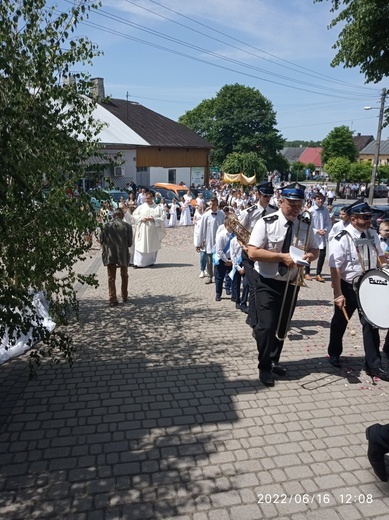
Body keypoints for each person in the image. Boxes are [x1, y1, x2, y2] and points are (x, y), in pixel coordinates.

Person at [247, 183, 319, 387]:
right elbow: (252, 252)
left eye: (299, 204)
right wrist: (281, 257)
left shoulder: (304, 224)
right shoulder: (266, 222)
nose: (296, 209)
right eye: (291, 204)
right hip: (267, 282)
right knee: (266, 326)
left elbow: (316, 249)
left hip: (291, 282)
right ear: (281, 202)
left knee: (282, 326)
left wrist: (309, 256)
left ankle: (273, 360)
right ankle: (263, 366)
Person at [327, 200, 389, 381]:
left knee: (371, 325)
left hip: (369, 286)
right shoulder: (342, 237)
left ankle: (373, 365)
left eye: (370, 217)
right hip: (348, 286)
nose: (369, 220)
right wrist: (337, 294)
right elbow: (335, 268)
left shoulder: (372, 234)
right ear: (353, 219)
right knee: (339, 322)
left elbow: (380, 257)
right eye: (365, 217)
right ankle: (334, 353)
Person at [239, 181, 276, 329]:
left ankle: (262, 316)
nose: (268, 198)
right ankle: (254, 320)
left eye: (270, 196)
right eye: (265, 195)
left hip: (266, 254)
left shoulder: (275, 211)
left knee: (264, 286)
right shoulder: (249, 212)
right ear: (258, 195)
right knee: (254, 286)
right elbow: (239, 234)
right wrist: (245, 247)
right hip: (249, 254)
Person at [100, 208, 133, 307]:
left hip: (110, 254)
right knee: (124, 275)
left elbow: (101, 240)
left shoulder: (105, 226)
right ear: (122, 216)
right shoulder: (127, 226)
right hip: (122, 254)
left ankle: (112, 298)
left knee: (111, 277)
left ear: (113, 216)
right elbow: (130, 243)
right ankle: (124, 295)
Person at [195, 197, 225, 284]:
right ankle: (209, 276)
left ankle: (218, 276)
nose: (211, 206)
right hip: (209, 241)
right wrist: (199, 243)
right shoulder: (205, 216)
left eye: (213, 204)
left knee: (219, 260)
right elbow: (201, 230)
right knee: (209, 260)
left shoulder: (221, 214)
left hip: (219, 241)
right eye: (210, 204)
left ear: (217, 205)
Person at [132, 191, 166, 268]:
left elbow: (163, 217)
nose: (146, 200)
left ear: (152, 198)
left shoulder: (157, 208)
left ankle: (151, 262)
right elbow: (134, 215)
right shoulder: (141, 207)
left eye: (148, 198)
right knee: (140, 245)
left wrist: (154, 219)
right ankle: (138, 263)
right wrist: (141, 218)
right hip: (142, 230)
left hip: (153, 231)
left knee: (152, 245)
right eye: (145, 198)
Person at [304, 193, 332, 282]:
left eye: (322, 199)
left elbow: (328, 222)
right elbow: (307, 225)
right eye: (318, 199)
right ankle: (307, 272)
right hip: (313, 235)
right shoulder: (311, 211)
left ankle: (318, 273)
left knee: (322, 255)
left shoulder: (325, 210)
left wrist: (325, 230)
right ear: (314, 200)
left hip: (322, 235)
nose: (320, 201)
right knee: (309, 253)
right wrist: (316, 231)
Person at [214, 216, 234, 301]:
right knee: (219, 277)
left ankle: (230, 291)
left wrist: (232, 260)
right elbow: (219, 250)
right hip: (222, 259)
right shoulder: (221, 235)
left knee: (232, 277)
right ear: (227, 224)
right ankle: (218, 293)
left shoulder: (235, 235)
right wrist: (226, 260)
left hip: (232, 259)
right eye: (233, 224)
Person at [230, 234, 249, 312]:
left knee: (246, 284)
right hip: (237, 264)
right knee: (236, 284)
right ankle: (237, 300)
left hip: (245, 265)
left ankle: (243, 303)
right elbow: (232, 255)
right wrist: (238, 268)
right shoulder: (233, 241)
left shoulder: (247, 240)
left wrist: (244, 268)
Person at [193, 204, 207, 278]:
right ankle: (202, 269)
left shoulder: (204, 215)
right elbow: (194, 219)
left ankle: (207, 270)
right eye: (199, 208)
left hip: (207, 239)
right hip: (199, 233)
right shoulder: (196, 213)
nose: (200, 209)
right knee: (202, 256)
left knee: (208, 257)